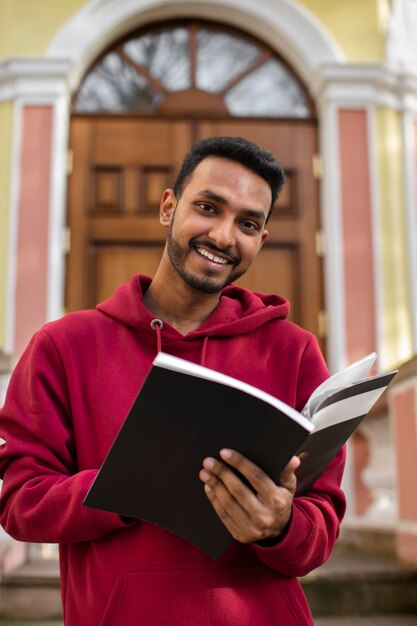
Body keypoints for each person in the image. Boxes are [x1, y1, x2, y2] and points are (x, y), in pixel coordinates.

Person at [0, 136, 345, 625]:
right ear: (168, 207)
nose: (224, 237)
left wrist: (280, 525)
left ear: (261, 241)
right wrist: (128, 482)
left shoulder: (295, 351)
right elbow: (19, 503)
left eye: (247, 224)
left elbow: (318, 534)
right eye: (208, 207)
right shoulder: (63, 346)